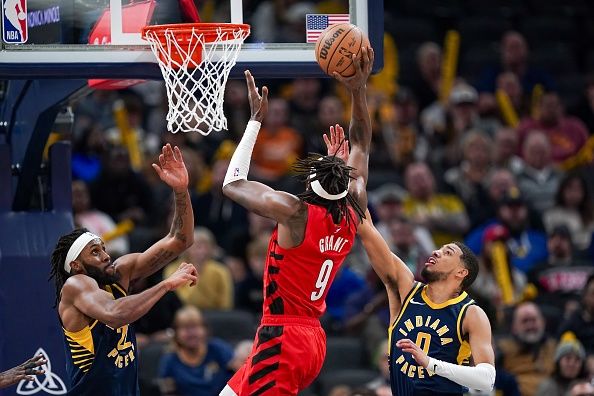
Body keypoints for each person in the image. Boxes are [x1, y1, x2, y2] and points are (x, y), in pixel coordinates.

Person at [220, 46, 374, 396]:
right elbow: (361, 143)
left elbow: (232, 183)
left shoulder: (295, 212)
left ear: (308, 186)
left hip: (284, 335)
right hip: (313, 339)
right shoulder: (353, 210)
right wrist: (357, 89)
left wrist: (255, 120)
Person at [49, 144, 197, 395]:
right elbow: (114, 314)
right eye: (94, 252)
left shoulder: (119, 272)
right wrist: (165, 284)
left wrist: (181, 191)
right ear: (76, 265)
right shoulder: (76, 286)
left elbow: (181, 240)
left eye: (104, 248)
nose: (106, 255)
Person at [358, 211, 495, 395]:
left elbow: (487, 379)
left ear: (461, 272)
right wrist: (352, 187)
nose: (435, 252)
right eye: (439, 249)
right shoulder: (405, 290)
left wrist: (430, 363)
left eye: (447, 252)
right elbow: (366, 229)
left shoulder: (470, 313)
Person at [158, 306, 239, 396]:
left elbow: (240, 375)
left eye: (195, 327)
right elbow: (168, 393)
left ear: (205, 329)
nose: (192, 333)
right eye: (185, 328)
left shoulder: (218, 348)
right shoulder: (169, 360)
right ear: (176, 333)